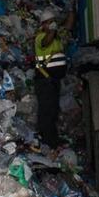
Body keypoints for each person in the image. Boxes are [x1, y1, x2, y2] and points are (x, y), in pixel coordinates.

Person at [33, 15, 68, 148]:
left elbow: (67, 28)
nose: (52, 24)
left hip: (53, 80)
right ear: (43, 25)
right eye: (49, 22)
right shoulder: (41, 37)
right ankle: (47, 141)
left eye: (53, 22)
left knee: (53, 111)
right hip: (44, 80)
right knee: (46, 111)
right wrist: (52, 30)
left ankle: (51, 139)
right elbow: (46, 42)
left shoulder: (56, 39)